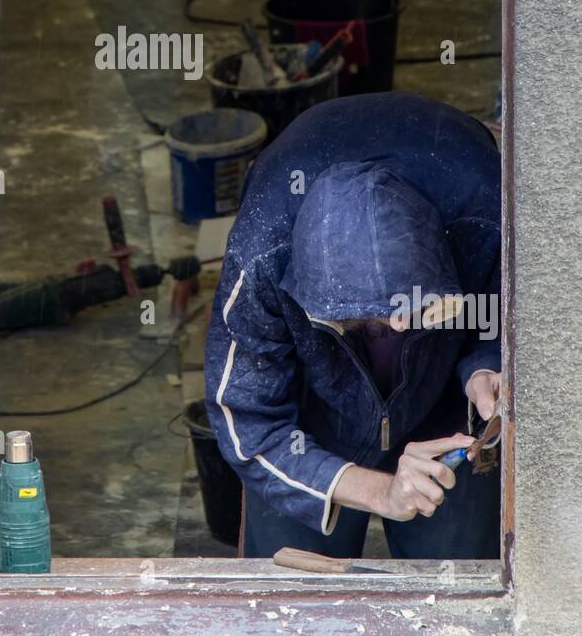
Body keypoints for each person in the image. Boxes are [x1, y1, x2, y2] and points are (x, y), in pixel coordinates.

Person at [204, 92, 502, 560]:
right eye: (378, 317)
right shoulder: (263, 254)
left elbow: (530, 319)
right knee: (293, 602)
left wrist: (488, 365)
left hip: (445, 417)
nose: (400, 324)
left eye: (418, 309)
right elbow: (248, 421)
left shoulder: (486, 212)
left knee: (457, 586)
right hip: (311, 419)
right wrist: (381, 492)